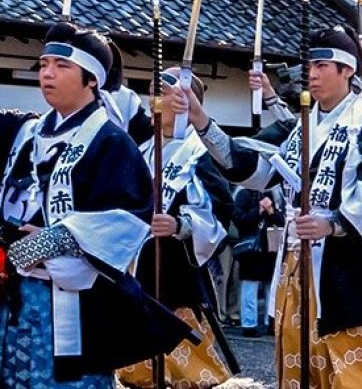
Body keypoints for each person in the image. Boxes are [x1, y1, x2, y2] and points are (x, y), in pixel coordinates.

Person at [177, 26, 362, 388]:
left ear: (348, 70)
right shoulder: (299, 129)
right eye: (309, 65)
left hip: (345, 268)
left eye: (323, 65)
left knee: (349, 363)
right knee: (298, 358)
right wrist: (202, 120)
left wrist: (334, 223)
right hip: (297, 262)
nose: (311, 73)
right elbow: (253, 165)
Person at [0, 22, 187, 388]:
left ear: (91, 79)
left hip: (74, 303)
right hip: (14, 294)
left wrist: (47, 241)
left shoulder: (111, 142)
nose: (47, 73)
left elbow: (125, 221)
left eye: (61, 65)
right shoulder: (25, 131)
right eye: (43, 64)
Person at [118, 69, 234, 389]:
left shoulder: (199, 153)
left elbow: (224, 210)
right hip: (139, 264)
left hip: (176, 268)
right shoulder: (142, 151)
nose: (153, 99)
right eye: (152, 90)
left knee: (188, 371)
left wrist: (182, 225)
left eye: (162, 91)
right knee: (138, 373)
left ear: (184, 101)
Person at [232, 185, 283, 338]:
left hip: (269, 248)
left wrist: (271, 211)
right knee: (250, 286)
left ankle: (271, 322)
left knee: (271, 287)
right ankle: (249, 324)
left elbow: (280, 220)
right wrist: (258, 211)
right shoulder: (243, 194)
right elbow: (238, 219)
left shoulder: (272, 193)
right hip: (251, 248)